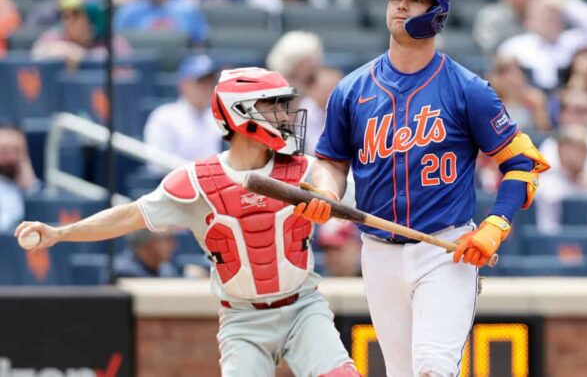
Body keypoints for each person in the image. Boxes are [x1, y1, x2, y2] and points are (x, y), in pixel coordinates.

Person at [14, 67, 360, 377]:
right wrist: (61, 232)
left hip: (303, 307)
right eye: (272, 106)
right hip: (243, 320)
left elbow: (361, 194)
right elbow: (131, 215)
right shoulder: (196, 181)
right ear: (241, 114)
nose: (284, 115)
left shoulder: (306, 171)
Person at [294, 0, 550, 376]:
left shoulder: (468, 89)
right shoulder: (351, 90)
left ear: (437, 15)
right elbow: (331, 162)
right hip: (377, 251)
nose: (401, 7)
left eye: (414, 0)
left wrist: (495, 225)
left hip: (444, 249)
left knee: (433, 369)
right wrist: (324, 192)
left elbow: (523, 163)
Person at [143, 54, 224, 171]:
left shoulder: (218, 117)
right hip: (176, 185)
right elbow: (156, 166)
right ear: (184, 85)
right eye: (201, 82)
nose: (207, 88)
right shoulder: (165, 116)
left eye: (210, 82)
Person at [32, 0, 131, 69]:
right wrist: (55, 51)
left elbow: (124, 73)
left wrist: (81, 56)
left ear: (93, 19)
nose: (68, 20)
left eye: (75, 14)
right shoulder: (53, 38)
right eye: (65, 15)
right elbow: (33, 58)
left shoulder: (113, 43)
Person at [0, 125, 40, 232]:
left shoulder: (23, 184)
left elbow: (32, 189)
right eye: (4, 150)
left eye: (15, 150)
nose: (10, 157)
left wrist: (22, 159)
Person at [114, 229, 179, 278]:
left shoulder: (167, 270)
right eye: (167, 240)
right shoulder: (124, 272)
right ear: (146, 244)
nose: (174, 244)